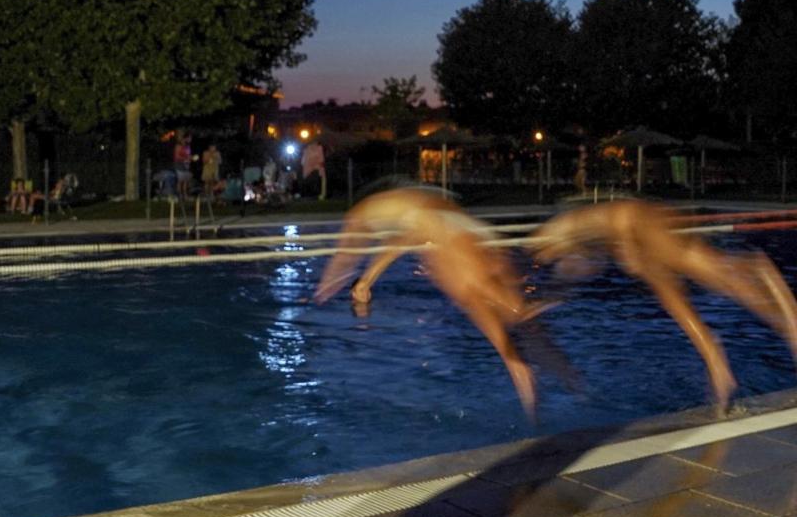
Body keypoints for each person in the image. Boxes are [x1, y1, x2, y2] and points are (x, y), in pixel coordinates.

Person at [533, 200, 797, 411]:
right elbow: (587, 265)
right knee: (707, 278)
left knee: (674, 290)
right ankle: (758, 323)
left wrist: (629, 249)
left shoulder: (550, 239)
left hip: (635, 223)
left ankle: (721, 360)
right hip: (640, 221)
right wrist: (553, 296)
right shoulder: (570, 233)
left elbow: (615, 222)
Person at [315, 188, 543, 418]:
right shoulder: (382, 208)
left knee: (470, 296)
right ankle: (518, 313)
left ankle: (516, 362)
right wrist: (357, 280)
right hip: (453, 216)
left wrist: (342, 286)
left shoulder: (357, 218)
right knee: (483, 286)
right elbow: (377, 252)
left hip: (432, 220)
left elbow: (346, 261)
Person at [173, 131, 194, 201]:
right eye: (189, 138)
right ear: (186, 138)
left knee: (185, 181)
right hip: (179, 165)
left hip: (186, 165)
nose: (190, 139)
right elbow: (176, 156)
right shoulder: (178, 146)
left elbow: (188, 155)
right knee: (180, 181)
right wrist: (186, 158)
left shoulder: (187, 146)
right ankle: (179, 195)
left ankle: (185, 195)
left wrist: (191, 158)